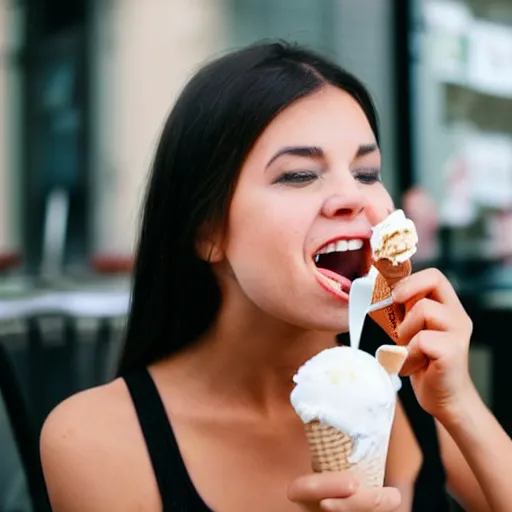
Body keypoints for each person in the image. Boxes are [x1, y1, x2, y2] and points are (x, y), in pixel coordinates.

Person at [39, 41, 512, 512]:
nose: (353, 197)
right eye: (299, 175)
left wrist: (461, 404)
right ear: (208, 232)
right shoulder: (94, 439)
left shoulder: (410, 387)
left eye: (367, 172)